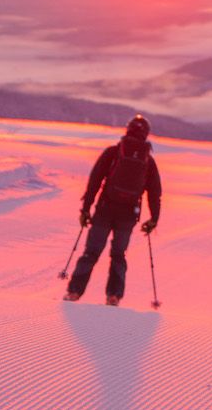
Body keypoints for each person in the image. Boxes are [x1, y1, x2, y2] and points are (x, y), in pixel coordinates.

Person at [66, 115, 163, 306]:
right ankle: (114, 296)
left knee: (91, 252)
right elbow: (154, 193)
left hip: (105, 209)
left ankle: (74, 292)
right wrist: (154, 219)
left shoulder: (113, 153)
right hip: (128, 215)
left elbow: (94, 181)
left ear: (127, 130)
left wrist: (85, 209)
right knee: (118, 255)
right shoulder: (148, 162)